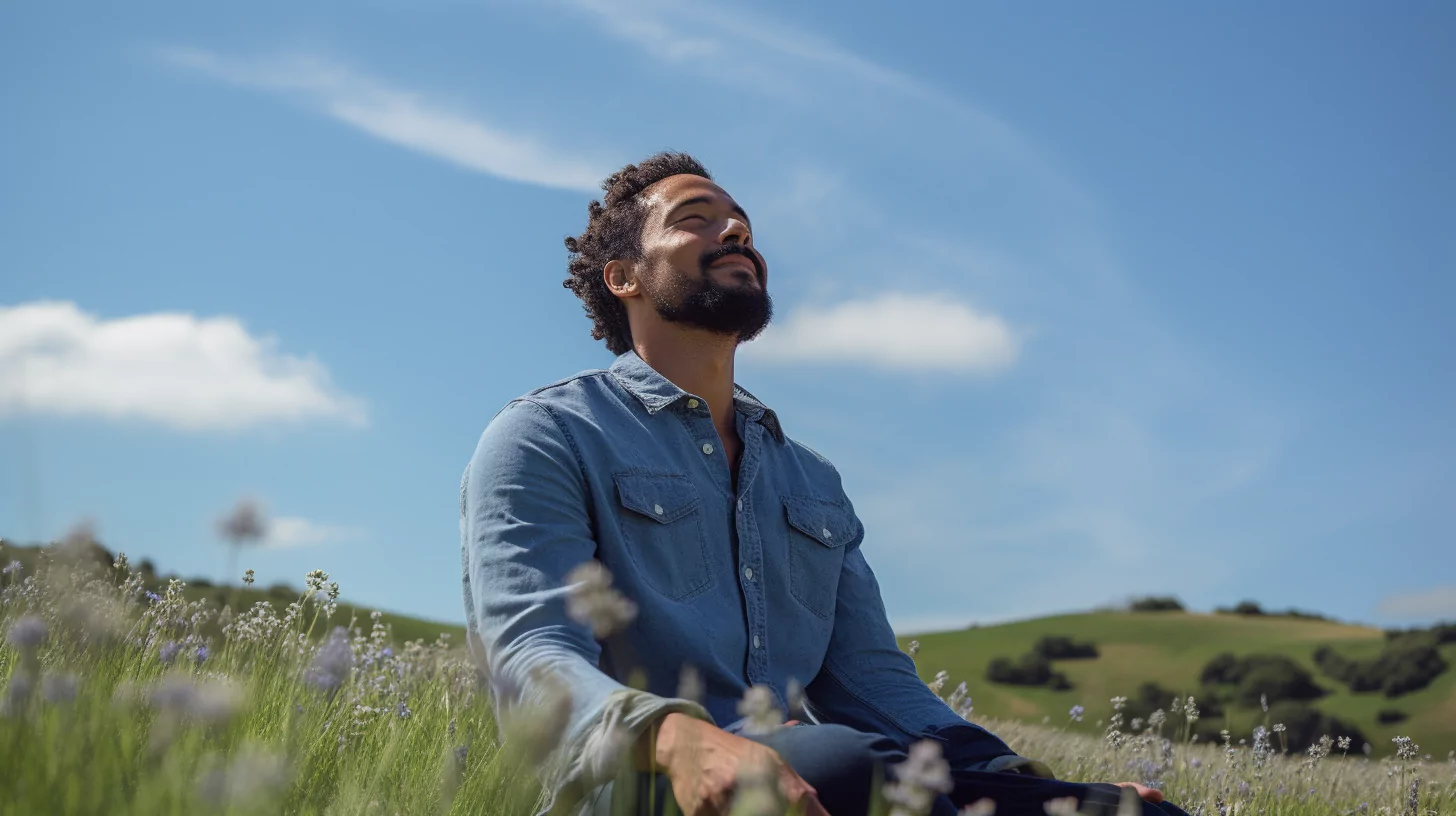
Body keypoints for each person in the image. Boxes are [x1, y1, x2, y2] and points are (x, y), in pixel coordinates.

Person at [460, 152, 1190, 816]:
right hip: (642, 791)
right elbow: (533, 661)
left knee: (1136, 815)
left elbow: (873, 679)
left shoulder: (809, 479)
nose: (737, 229)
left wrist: (1019, 778)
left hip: (814, 780)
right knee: (839, 764)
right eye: (696, 219)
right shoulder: (547, 436)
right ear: (625, 278)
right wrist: (682, 739)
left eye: (741, 222)